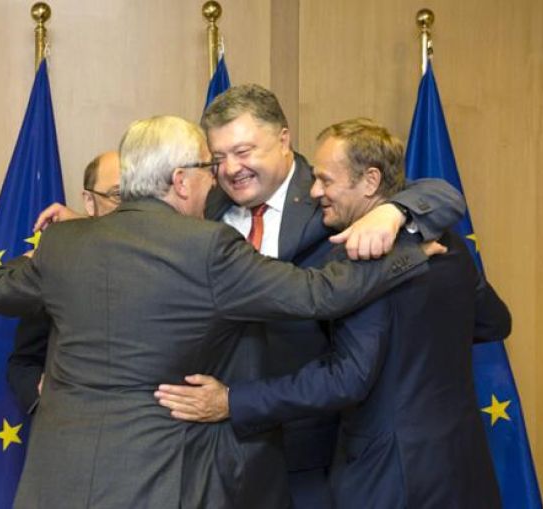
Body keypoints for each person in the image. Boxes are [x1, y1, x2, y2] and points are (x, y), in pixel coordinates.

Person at [0, 115, 438, 509]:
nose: (216, 179)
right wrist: (404, 249)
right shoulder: (205, 247)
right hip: (153, 479)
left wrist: (63, 247)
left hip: (56, 478)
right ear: (181, 180)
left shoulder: (63, 243)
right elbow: (318, 294)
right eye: (208, 167)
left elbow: (0, 290)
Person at [156, 118, 508, 508]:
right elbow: (494, 321)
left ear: (370, 182)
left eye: (325, 180)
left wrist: (232, 401)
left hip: (390, 475)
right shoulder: (448, 242)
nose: (314, 191)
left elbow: (347, 378)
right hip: (460, 462)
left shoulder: (363, 258)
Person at [8, 151, 121, 414]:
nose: (130, 208)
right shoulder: (60, 265)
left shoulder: (170, 262)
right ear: (90, 202)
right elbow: (23, 363)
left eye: (138, 196)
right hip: (71, 423)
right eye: (118, 195)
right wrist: (41, 392)